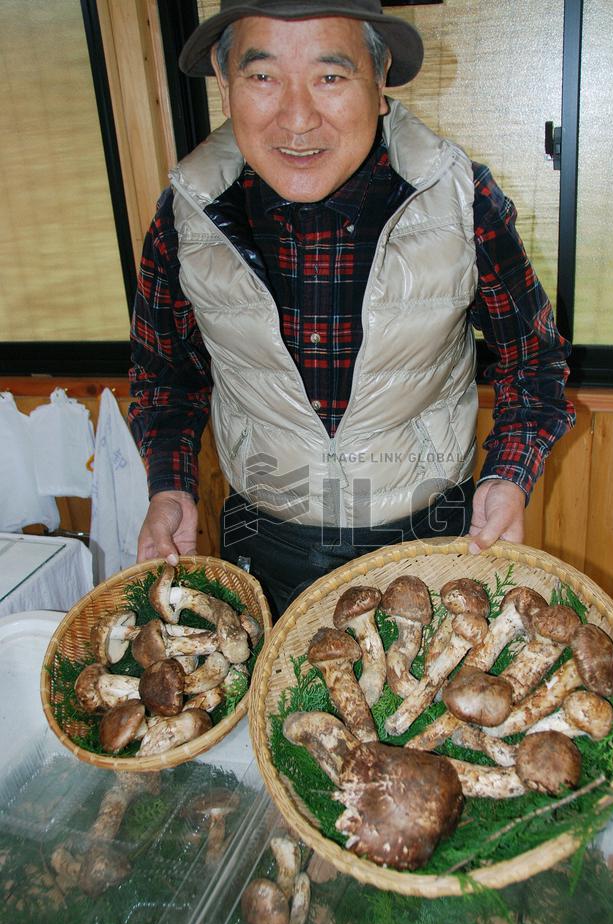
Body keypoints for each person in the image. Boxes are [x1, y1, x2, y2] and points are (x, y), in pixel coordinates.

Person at [130, 0, 575, 615]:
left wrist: (506, 475)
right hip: (265, 536)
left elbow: (534, 362)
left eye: (330, 76)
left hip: (431, 531)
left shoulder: (460, 200)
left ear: (380, 77)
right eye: (262, 76)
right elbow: (165, 377)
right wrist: (172, 485)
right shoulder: (187, 214)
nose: (297, 117)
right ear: (224, 78)